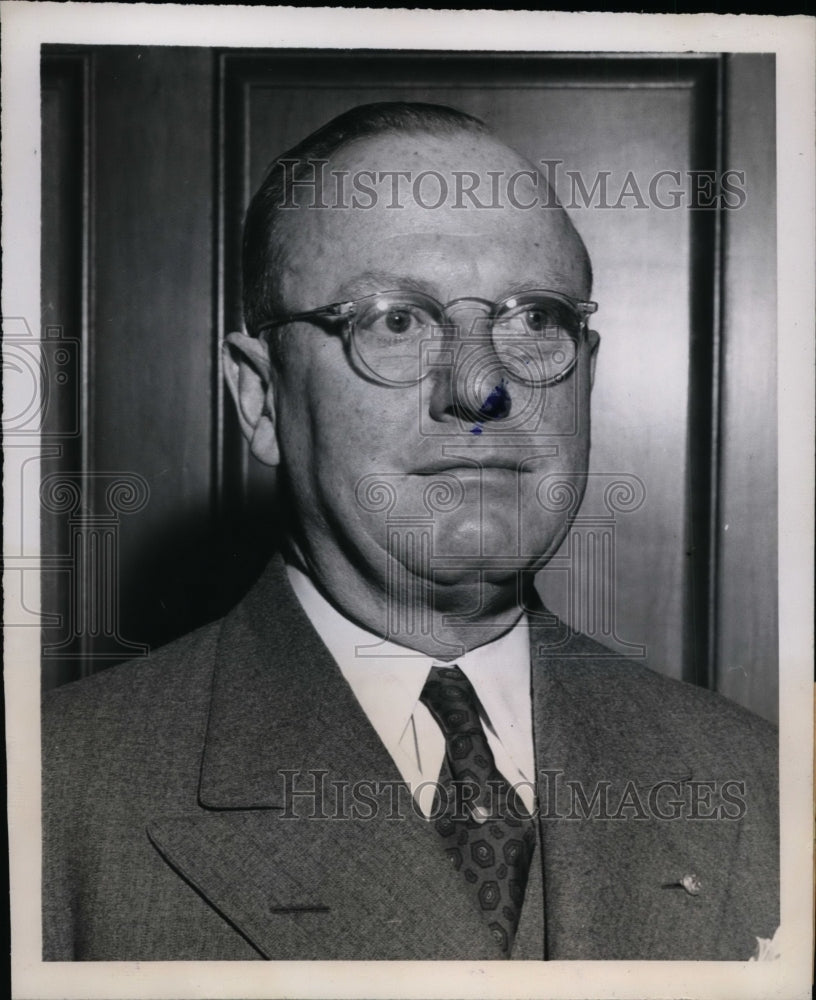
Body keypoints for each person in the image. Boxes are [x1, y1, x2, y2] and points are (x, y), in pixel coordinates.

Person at [42, 102, 778, 962]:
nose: (480, 389)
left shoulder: (759, 784)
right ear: (261, 399)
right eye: (396, 320)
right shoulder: (55, 797)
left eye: (535, 320)